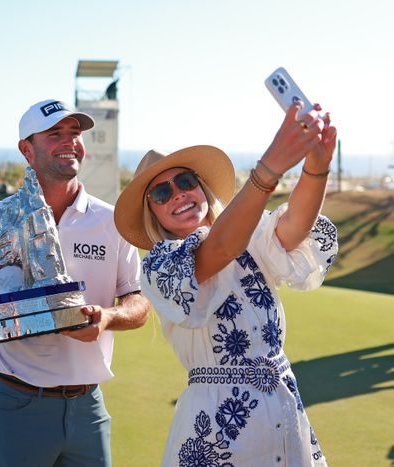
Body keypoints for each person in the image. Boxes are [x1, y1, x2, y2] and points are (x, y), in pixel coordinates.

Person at [113, 101, 338, 466]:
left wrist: (317, 165)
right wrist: (269, 168)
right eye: (161, 193)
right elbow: (219, 247)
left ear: (201, 187)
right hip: (217, 434)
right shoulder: (161, 266)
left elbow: (296, 226)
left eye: (185, 182)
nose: (178, 194)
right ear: (151, 211)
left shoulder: (253, 234)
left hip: (284, 414)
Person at [0, 99, 150, 466]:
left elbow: (138, 302)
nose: (70, 142)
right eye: (55, 134)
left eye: (75, 133)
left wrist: (109, 317)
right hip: (17, 404)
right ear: (26, 149)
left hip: (88, 407)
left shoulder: (112, 220)